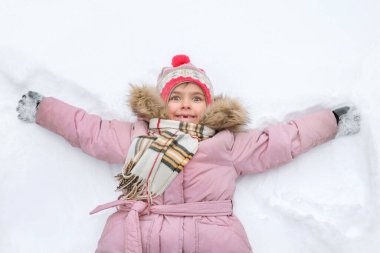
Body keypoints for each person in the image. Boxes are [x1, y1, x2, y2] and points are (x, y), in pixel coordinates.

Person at [16, 55, 360, 253]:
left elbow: (281, 142)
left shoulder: (225, 143)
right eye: (176, 96)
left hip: (211, 231)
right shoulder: (138, 135)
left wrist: (330, 122)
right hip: (142, 228)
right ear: (161, 103)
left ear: (208, 106)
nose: (185, 104)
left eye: (196, 98)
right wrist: (44, 109)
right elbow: (88, 130)